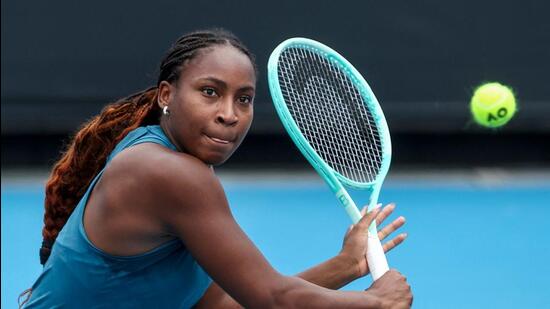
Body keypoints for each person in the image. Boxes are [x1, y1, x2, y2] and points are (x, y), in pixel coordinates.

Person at [21, 28, 412, 308]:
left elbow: (227, 302)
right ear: (166, 95)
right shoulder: (170, 175)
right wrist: (376, 302)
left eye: (244, 99)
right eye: (210, 92)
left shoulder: (167, 161)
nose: (229, 114)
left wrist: (344, 267)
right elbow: (272, 298)